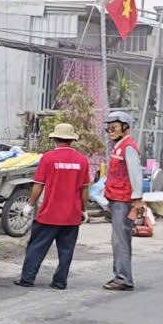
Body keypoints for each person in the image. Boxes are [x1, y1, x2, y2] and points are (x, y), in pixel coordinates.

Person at [14, 123, 91, 290]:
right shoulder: (82, 161)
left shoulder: (48, 158)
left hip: (49, 214)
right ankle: (60, 281)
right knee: (66, 250)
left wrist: (30, 205)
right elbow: (85, 189)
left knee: (36, 247)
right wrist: (84, 210)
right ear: (72, 140)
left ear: (54, 139)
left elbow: (38, 185)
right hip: (71, 215)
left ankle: (27, 279)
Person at [103, 110, 144, 291]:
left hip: (123, 200)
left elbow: (136, 174)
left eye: (114, 127)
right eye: (108, 128)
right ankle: (120, 276)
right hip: (116, 199)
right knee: (118, 240)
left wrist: (137, 200)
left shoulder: (128, 147)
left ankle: (123, 278)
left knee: (120, 240)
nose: (110, 131)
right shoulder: (119, 146)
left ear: (125, 127)